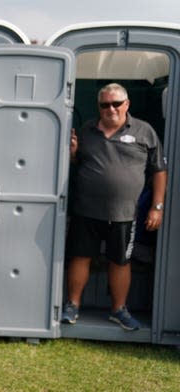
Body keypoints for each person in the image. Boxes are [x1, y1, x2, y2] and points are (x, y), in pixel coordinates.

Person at [62, 83, 167, 331]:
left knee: (120, 261)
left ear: (127, 104)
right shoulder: (87, 130)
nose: (110, 109)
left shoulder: (145, 131)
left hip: (124, 214)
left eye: (116, 104)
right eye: (105, 105)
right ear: (99, 107)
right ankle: (72, 306)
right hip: (86, 211)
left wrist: (157, 207)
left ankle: (118, 310)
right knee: (80, 257)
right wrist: (74, 154)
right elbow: (78, 163)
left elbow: (159, 171)